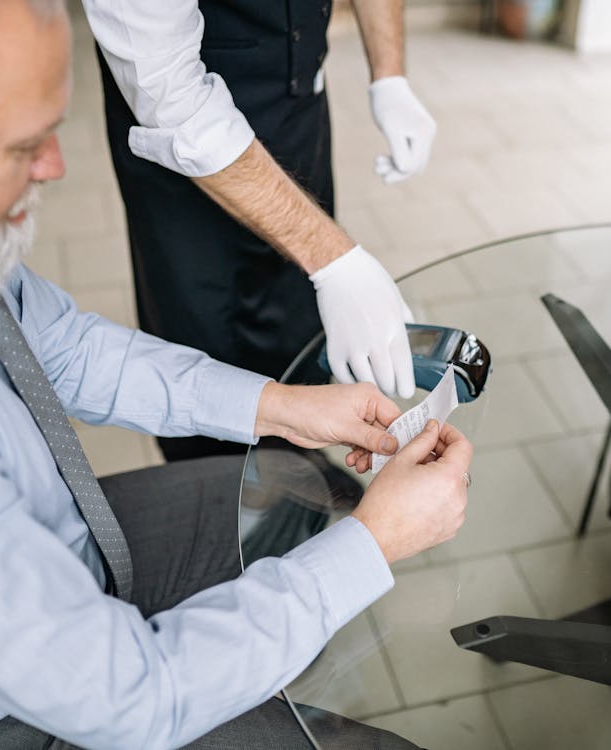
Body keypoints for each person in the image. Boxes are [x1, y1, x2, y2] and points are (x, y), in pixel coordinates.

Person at [0, 1, 471, 748]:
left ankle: (272, 658)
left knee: (311, 491)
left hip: (67, 545)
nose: (55, 165)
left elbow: (67, 349)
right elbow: (131, 699)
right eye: (24, 145)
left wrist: (283, 407)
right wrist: (373, 546)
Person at [84, 0, 437, 460]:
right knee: (204, 357)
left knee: (304, 333)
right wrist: (333, 257)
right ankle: (218, 501)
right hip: (179, 152)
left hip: (297, 111)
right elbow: (168, 95)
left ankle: (299, 480)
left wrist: (389, 76)